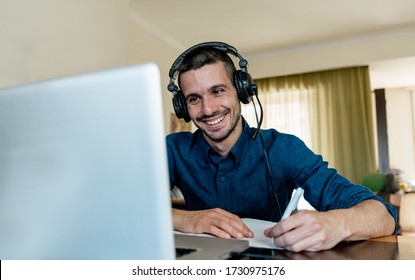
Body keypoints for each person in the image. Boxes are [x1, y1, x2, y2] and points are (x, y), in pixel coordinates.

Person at [166, 41, 397, 252]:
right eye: (194, 99)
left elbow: (384, 215)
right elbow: (130, 207)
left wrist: (336, 223)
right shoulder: (173, 149)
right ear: (183, 107)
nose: (208, 109)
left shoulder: (284, 149)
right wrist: (184, 218)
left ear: (242, 91)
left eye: (217, 91)